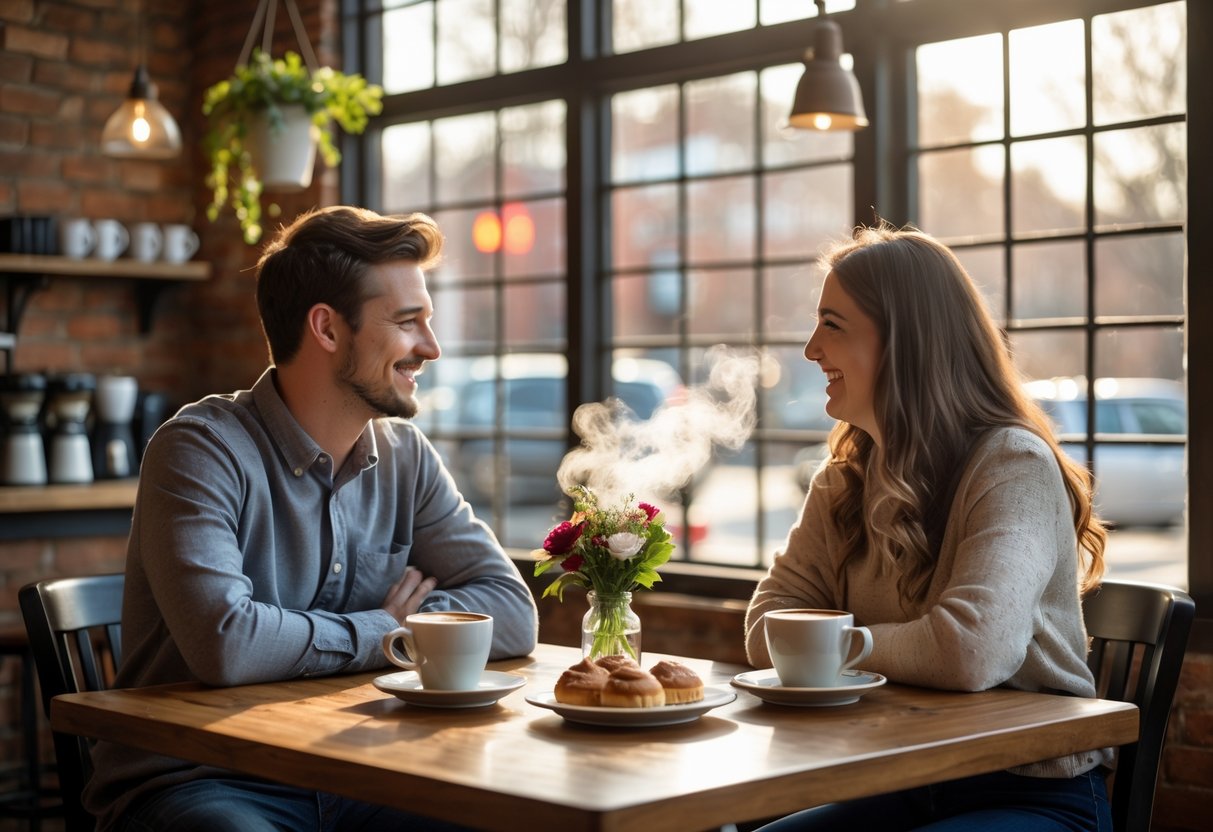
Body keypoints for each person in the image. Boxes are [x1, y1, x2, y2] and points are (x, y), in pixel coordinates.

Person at [84, 206, 539, 832]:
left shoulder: (407, 457)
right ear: (326, 328)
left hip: (359, 769)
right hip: (200, 779)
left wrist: (413, 626)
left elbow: (513, 612)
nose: (430, 348)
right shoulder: (198, 449)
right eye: (408, 323)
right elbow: (227, 645)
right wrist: (387, 628)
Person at [744, 223, 1111, 831]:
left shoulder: (1011, 464)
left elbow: (970, 650)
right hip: (902, 780)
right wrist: (897, 644)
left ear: (905, 344)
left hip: (1029, 792)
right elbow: (766, 626)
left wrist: (835, 644)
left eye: (832, 325)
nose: (811, 349)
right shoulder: (846, 476)